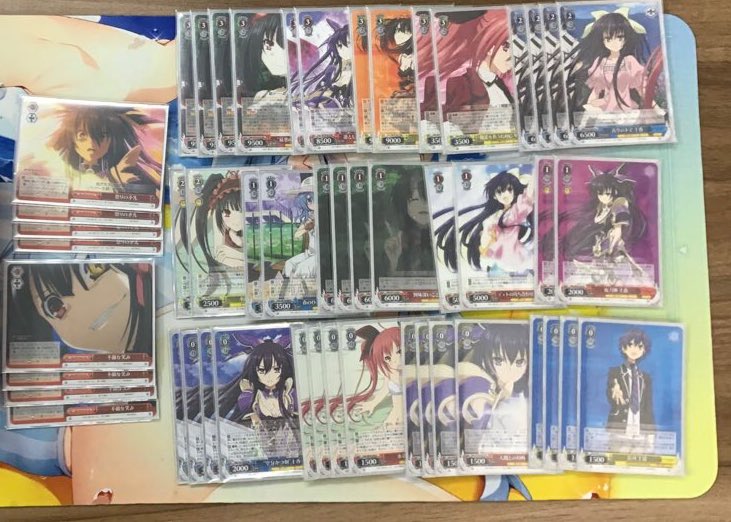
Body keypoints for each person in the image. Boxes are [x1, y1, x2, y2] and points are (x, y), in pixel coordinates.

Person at [606, 329, 655, 435]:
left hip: (639, 427)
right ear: (624, 348)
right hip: (619, 426)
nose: (634, 349)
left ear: (644, 351)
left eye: (639, 346)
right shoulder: (615, 372)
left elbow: (648, 406)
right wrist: (614, 387)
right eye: (630, 345)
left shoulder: (645, 377)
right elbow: (611, 390)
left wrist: (651, 433)